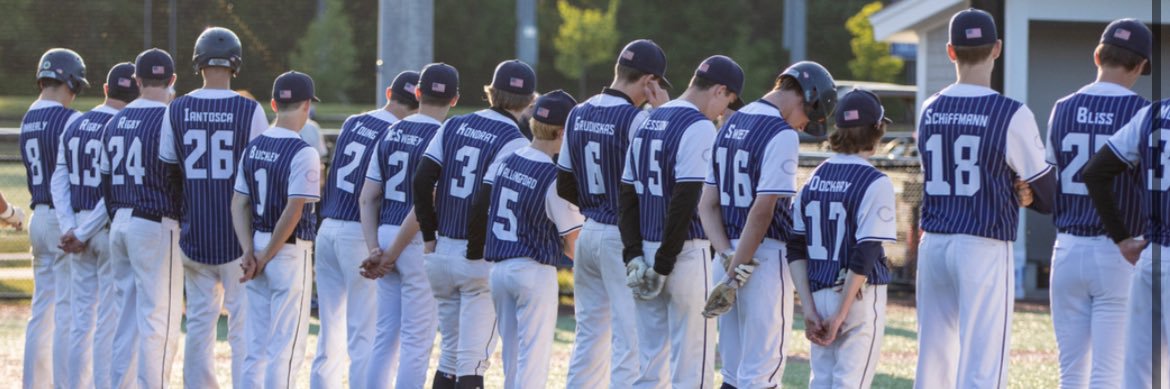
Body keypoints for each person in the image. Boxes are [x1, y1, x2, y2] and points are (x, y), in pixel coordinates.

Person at [913, 9, 1055, 388]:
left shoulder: (929, 108)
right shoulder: (1010, 112)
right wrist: (1025, 193)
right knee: (983, 359)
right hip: (983, 242)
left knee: (934, 358)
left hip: (935, 241)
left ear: (950, 51)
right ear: (997, 49)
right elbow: (1047, 193)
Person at [698, 61, 837, 388]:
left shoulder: (729, 122)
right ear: (808, 97)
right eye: (809, 118)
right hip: (762, 261)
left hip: (727, 256)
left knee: (733, 374)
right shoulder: (781, 133)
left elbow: (706, 204)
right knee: (761, 374)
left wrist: (726, 258)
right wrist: (739, 268)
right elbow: (763, 211)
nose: (804, 127)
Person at [408, 59, 534, 388]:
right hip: (476, 257)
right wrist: (477, 251)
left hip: (441, 250)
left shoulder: (453, 125)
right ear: (529, 100)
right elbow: (484, 202)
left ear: (491, 92)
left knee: (449, 355)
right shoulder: (515, 141)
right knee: (472, 361)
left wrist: (429, 236)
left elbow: (421, 181)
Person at [620, 55, 744, 388]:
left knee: (648, 364)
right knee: (692, 364)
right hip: (684, 253)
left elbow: (627, 196)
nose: (722, 113)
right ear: (719, 90)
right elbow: (686, 201)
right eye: (727, 102)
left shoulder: (647, 119)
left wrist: (633, 255)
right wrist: (663, 264)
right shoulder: (699, 126)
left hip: (645, 249)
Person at [157, 26, 270, 389]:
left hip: (195, 233)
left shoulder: (178, 107)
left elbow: (168, 168)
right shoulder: (249, 109)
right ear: (235, 63)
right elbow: (261, 173)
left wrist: (188, 211)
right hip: (238, 237)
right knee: (242, 326)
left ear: (198, 62)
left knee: (201, 325)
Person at [556, 39, 669, 388]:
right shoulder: (637, 120)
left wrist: (593, 204)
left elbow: (564, 184)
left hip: (589, 230)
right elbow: (656, 186)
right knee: (630, 339)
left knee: (589, 337)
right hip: (623, 238)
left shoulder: (578, 110)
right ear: (650, 80)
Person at [1046, 19, 1151, 389]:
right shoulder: (1144, 112)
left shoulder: (1062, 107)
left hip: (1067, 246)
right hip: (1120, 250)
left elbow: (1050, 179)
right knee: (1109, 372)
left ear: (1097, 55)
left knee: (1071, 373)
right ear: (1139, 65)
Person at [311, 70, 419, 389]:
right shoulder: (402, 132)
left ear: (389, 93)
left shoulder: (354, 121)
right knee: (365, 334)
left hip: (328, 225)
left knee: (329, 330)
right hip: (360, 232)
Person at [467, 90, 582, 388]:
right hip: (533, 269)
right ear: (561, 132)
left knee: (513, 361)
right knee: (532, 362)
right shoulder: (554, 176)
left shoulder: (507, 159)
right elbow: (574, 243)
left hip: (499, 270)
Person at [786, 89, 895, 388]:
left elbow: (795, 246)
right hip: (857, 295)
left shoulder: (814, 177)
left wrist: (807, 306)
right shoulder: (875, 181)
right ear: (877, 129)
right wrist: (841, 313)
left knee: (821, 382)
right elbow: (865, 253)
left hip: (818, 293)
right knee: (850, 383)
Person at [359, 63, 458, 388]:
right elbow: (425, 201)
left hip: (386, 231)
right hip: (416, 239)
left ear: (418, 93)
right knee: (416, 342)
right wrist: (391, 252)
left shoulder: (391, 130)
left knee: (385, 335)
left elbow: (367, 197)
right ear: (454, 99)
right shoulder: (445, 134)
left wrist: (376, 247)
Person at [231, 71, 322, 388]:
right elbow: (294, 210)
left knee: (255, 346)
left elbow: (237, 204)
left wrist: (248, 252)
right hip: (286, 250)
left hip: (256, 245)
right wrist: (265, 257)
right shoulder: (304, 151)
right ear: (306, 105)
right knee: (286, 346)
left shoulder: (253, 147)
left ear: (273, 104)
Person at [101, 48, 185, 387]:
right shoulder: (169, 117)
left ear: (137, 80)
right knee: (159, 321)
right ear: (173, 80)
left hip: (119, 220)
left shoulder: (115, 118)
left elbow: (105, 180)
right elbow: (176, 175)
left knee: (126, 320)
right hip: (155, 222)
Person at [54, 62, 138, 389]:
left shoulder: (76, 122)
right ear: (139, 91)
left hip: (76, 228)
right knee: (108, 321)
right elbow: (114, 188)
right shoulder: (125, 126)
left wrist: (69, 227)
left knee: (80, 320)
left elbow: (59, 178)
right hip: (104, 230)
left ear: (105, 89)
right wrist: (85, 230)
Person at [20, 47, 86, 389]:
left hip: (37, 218)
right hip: (63, 219)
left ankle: (33, 384)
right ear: (70, 80)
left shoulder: (28, 116)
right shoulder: (71, 119)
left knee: (40, 312)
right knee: (66, 312)